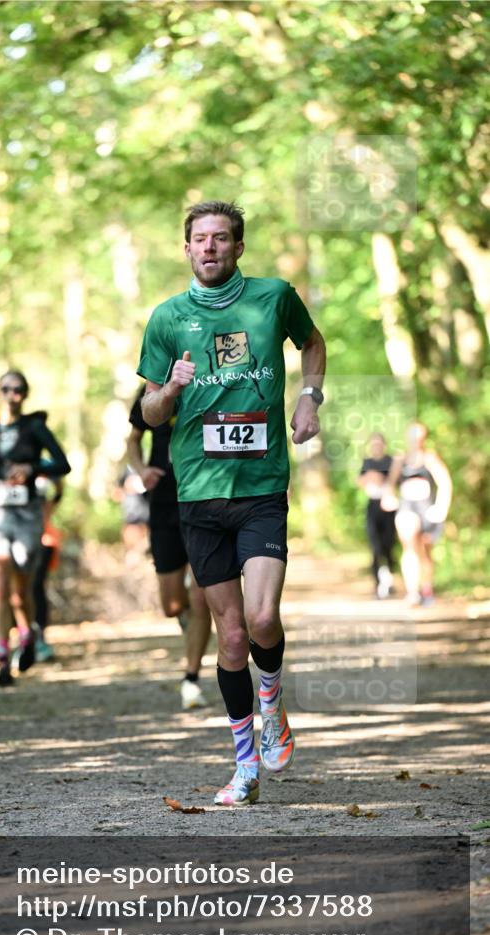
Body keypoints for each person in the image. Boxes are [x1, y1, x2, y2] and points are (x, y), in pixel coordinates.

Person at [137, 200, 326, 806]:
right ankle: (245, 765)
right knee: (233, 637)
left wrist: (310, 398)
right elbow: (149, 412)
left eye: (221, 238)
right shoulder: (167, 318)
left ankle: (273, 704)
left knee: (264, 618)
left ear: (238, 247)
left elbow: (312, 342)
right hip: (198, 493)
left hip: (261, 488)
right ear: (186, 249)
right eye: (201, 239)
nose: (210, 247)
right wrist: (171, 389)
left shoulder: (274, 297)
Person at [0, 371, 71, 686]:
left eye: (18, 390)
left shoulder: (35, 428)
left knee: (20, 592)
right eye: (6, 389)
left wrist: (33, 468)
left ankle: (27, 636)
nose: (11, 395)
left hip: (27, 516)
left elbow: (63, 464)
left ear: (25, 395)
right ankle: (2, 660)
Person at [127, 386, 213, 710]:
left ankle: (191, 679)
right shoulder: (150, 387)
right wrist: (141, 470)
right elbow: (133, 439)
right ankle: (191, 626)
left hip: (204, 500)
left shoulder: (209, 381)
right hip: (164, 505)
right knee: (172, 605)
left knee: (201, 596)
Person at [385, 422, 452, 607]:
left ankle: (427, 589)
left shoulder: (430, 458)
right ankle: (412, 592)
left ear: (424, 438)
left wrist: (441, 507)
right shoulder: (401, 459)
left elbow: (445, 482)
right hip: (407, 507)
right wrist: (389, 496)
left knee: (425, 551)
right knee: (409, 547)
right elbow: (390, 482)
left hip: (427, 508)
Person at [29, 476, 64, 663]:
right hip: (22, 544)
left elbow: (58, 492)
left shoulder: (44, 501)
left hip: (45, 542)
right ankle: (27, 638)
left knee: (36, 587)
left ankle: (39, 637)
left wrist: (52, 474)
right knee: (22, 591)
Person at [357, 432, 397, 599]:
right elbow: (360, 480)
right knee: (375, 546)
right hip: (373, 505)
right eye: (373, 444)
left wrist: (380, 478)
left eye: (379, 443)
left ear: (384, 445)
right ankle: (377, 583)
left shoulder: (391, 460)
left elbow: (395, 480)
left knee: (388, 544)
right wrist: (370, 477)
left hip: (389, 505)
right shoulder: (367, 462)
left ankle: (389, 578)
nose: (376, 447)